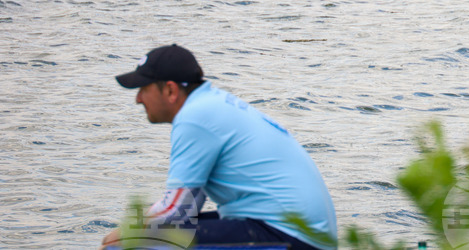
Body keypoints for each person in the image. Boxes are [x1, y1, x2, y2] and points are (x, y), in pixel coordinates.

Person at [101, 45, 337, 250]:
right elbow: (189, 206)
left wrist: (124, 234)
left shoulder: (195, 117)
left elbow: (176, 210)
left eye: (143, 89)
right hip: (303, 233)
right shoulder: (212, 104)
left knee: (129, 245)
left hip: (289, 235)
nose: (138, 99)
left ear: (171, 90)